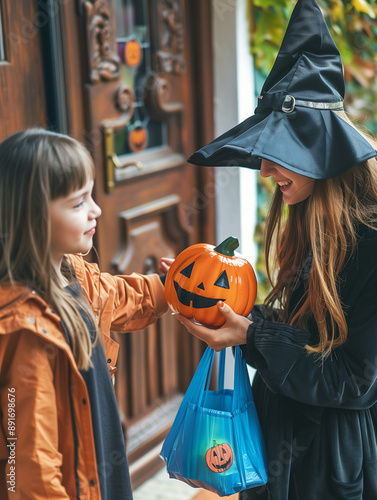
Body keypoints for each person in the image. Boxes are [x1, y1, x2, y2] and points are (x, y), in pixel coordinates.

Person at [164, 0, 377, 498]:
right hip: (276, 431)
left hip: (327, 461)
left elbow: (352, 382)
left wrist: (252, 337)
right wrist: (224, 309)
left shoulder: (372, 245)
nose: (264, 171)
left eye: (279, 157)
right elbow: (302, 333)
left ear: (322, 154)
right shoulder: (309, 219)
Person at [0, 128, 168, 499]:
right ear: (32, 220)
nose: (96, 209)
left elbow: (121, 296)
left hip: (97, 464)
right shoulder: (24, 328)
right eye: (78, 203)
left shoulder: (72, 274)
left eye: (90, 195)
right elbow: (30, 459)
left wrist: (173, 288)